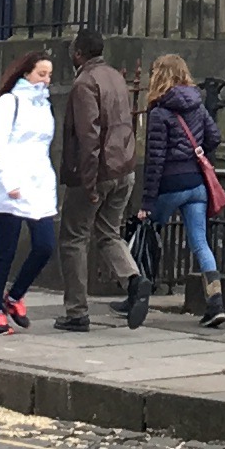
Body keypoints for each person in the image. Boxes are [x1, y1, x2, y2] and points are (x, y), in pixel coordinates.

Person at [54, 23, 146, 333]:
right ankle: (134, 279)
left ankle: (77, 312)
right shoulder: (116, 77)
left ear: (79, 53)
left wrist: (89, 182)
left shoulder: (85, 83)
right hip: (124, 168)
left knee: (73, 239)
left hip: (98, 171)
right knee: (108, 233)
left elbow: (88, 136)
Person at [133, 52, 225, 329]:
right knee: (200, 242)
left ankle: (138, 296)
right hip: (196, 183)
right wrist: (196, 154)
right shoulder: (197, 105)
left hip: (170, 185)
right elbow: (214, 137)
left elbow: (155, 161)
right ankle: (216, 304)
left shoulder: (159, 111)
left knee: (147, 234)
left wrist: (147, 202)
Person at [0, 49, 58, 334]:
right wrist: (10, 182)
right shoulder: (9, 102)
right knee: (6, 250)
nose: (46, 80)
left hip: (38, 185)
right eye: (41, 74)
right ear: (26, 73)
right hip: (10, 186)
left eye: (49, 75)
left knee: (45, 245)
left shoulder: (44, 106)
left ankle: (14, 297)